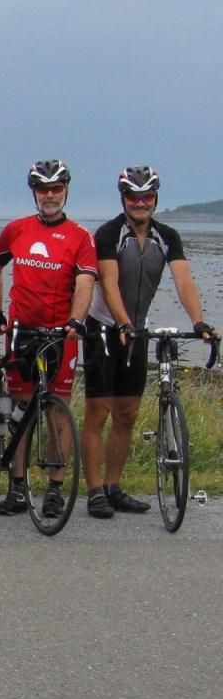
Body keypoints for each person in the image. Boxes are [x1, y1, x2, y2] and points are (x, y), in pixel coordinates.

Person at [81, 166, 216, 518]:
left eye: (146, 196)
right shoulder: (109, 233)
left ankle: (113, 487)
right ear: (123, 198)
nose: (140, 203)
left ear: (155, 198)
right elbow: (109, 283)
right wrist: (122, 322)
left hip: (136, 330)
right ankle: (94, 492)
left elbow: (184, 281)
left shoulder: (167, 235)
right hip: (104, 329)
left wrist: (198, 321)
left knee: (127, 414)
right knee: (98, 412)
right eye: (133, 196)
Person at [0, 160, 97, 518]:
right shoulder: (16, 229)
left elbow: (85, 281)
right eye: (43, 189)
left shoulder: (80, 236)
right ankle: (17, 487)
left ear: (66, 191)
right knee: (21, 408)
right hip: (22, 331)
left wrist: (77, 320)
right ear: (34, 192)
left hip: (61, 334)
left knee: (57, 411)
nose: (50, 195)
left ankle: (55, 489)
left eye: (56, 189)